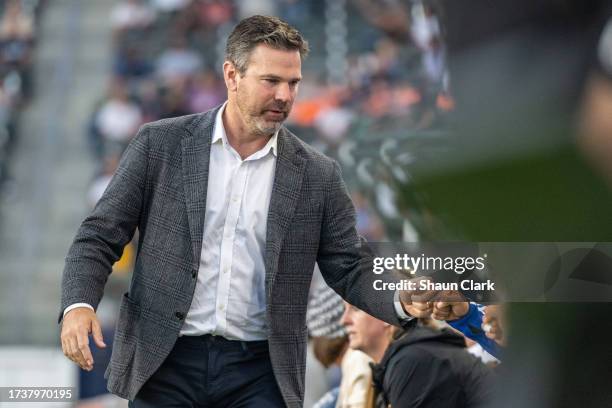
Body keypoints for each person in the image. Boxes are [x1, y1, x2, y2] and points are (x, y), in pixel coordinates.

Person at [59, 15, 412, 408]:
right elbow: (99, 234)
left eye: (293, 83)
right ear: (232, 75)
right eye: (271, 81)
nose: (284, 96)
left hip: (261, 372)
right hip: (163, 361)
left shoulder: (318, 174)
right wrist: (79, 304)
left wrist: (400, 298)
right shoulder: (159, 144)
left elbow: (350, 266)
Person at [341, 302, 495, 408]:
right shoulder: (408, 356)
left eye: (355, 309)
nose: (344, 320)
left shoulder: (413, 361)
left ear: (385, 316)